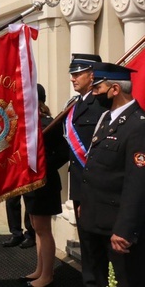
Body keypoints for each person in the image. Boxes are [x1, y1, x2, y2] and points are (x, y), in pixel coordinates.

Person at [79, 62, 145, 286]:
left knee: (125, 280)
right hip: (93, 218)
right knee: (92, 278)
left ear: (114, 89)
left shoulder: (138, 126)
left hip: (116, 228)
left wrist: (124, 229)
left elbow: (137, 183)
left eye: (97, 88)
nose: (94, 93)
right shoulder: (107, 118)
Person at [64, 53, 106, 287]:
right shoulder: (74, 105)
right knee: (87, 245)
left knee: (98, 246)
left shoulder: (100, 104)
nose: (73, 78)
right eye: (72, 74)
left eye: (78, 73)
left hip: (97, 189)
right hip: (80, 187)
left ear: (93, 75)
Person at [21, 84, 69, 287]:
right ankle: (40, 268)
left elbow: (63, 153)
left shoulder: (49, 124)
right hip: (30, 184)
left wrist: (41, 166)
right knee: (35, 227)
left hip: (45, 183)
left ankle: (47, 275)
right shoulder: (28, 124)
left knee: (43, 229)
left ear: (38, 101)